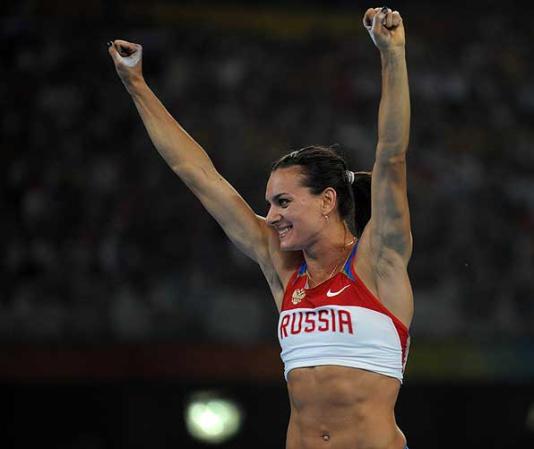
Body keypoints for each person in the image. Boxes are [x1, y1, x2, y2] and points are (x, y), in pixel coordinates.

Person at [109, 6, 412, 449]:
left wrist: (392, 55)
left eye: (283, 202)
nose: (270, 216)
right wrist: (136, 84)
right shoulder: (284, 270)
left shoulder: (379, 262)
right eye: (269, 203)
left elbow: (392, 155)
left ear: (327, 201)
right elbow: (199, 175)